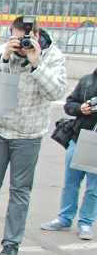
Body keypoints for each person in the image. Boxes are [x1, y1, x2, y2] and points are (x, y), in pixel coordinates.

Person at [0, 16, 68, 255]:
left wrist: (37, 64)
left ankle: (11, 243)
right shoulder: (3, 50)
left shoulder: (53, 56)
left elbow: (57, 92)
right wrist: (4, 58)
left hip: (28, 134)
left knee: (20, 191)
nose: (21, 42)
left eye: (25, 37)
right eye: (16, 37)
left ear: (37, 35)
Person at [39, 66, 97, 241]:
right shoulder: (87, 81)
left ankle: (86, 222)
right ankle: (65, 218)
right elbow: (69, 105)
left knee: (93, 188)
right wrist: (81, 108)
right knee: (70, 183)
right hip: (78, 139)